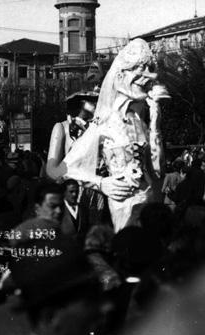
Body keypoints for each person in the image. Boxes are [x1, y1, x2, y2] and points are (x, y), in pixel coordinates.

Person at [59, 39, 170, 231]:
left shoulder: (140, 123)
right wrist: (101, 183)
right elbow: (65, 168)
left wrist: (155, 124)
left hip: (151, 201)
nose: (146, 78)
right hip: (123, 204)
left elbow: (158, 171)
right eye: (139, 70)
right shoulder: (104, 124)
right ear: (120, 75)